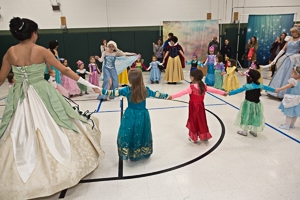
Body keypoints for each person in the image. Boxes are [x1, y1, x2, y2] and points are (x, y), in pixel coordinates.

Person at [0, 17, 104, 200]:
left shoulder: (10, 52)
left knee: (17, 129)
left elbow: (1, 79)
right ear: (33, 33)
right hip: (43, 94)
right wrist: (88, 84)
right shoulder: (41, 50)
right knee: (58, 122)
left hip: (20, 97)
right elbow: (65, 70)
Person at [95, 68, 169, 161]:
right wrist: (168, 96)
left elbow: (113, 93)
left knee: (131, 132)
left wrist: (101, 91)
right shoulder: (145, 90)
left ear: (130, 80)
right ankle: (142, 151)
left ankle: (132, 153)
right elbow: (157, 94)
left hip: (130, 115)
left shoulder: (127, 90)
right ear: (141, 78)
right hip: (143, 115)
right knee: (142, 132)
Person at [168, 69, 225, 142]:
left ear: (192, 77)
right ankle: (204, 136)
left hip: (193, 108)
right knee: (202, 121)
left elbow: (181, 93)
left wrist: (171, 96)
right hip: (201, 107)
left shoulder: (191, 87)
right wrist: (223, 93)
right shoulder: (203, 86)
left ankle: (193, 138)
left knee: (193, 121)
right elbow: (214, 90)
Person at [224, 69, 279, 137]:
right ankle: (254, 131)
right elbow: (268, 88)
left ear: (249, 78)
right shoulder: (260, 85)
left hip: (248, 104)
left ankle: (244, 131)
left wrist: (228, 93)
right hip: (257, 104)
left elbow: (238, 91)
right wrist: (275, 90)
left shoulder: (247, 86)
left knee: (246, 116)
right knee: (255, 116)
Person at [267, 25, 300, 98]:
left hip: (295, 60)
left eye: (293, 32)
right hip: (286, 59)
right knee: (281, 75)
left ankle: (290, 93)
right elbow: (283, 50)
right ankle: (278, 92)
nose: (292, 33)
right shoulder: (289, 39)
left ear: (297, 32)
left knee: (293, 76)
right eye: (291, 32)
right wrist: (275, 59)